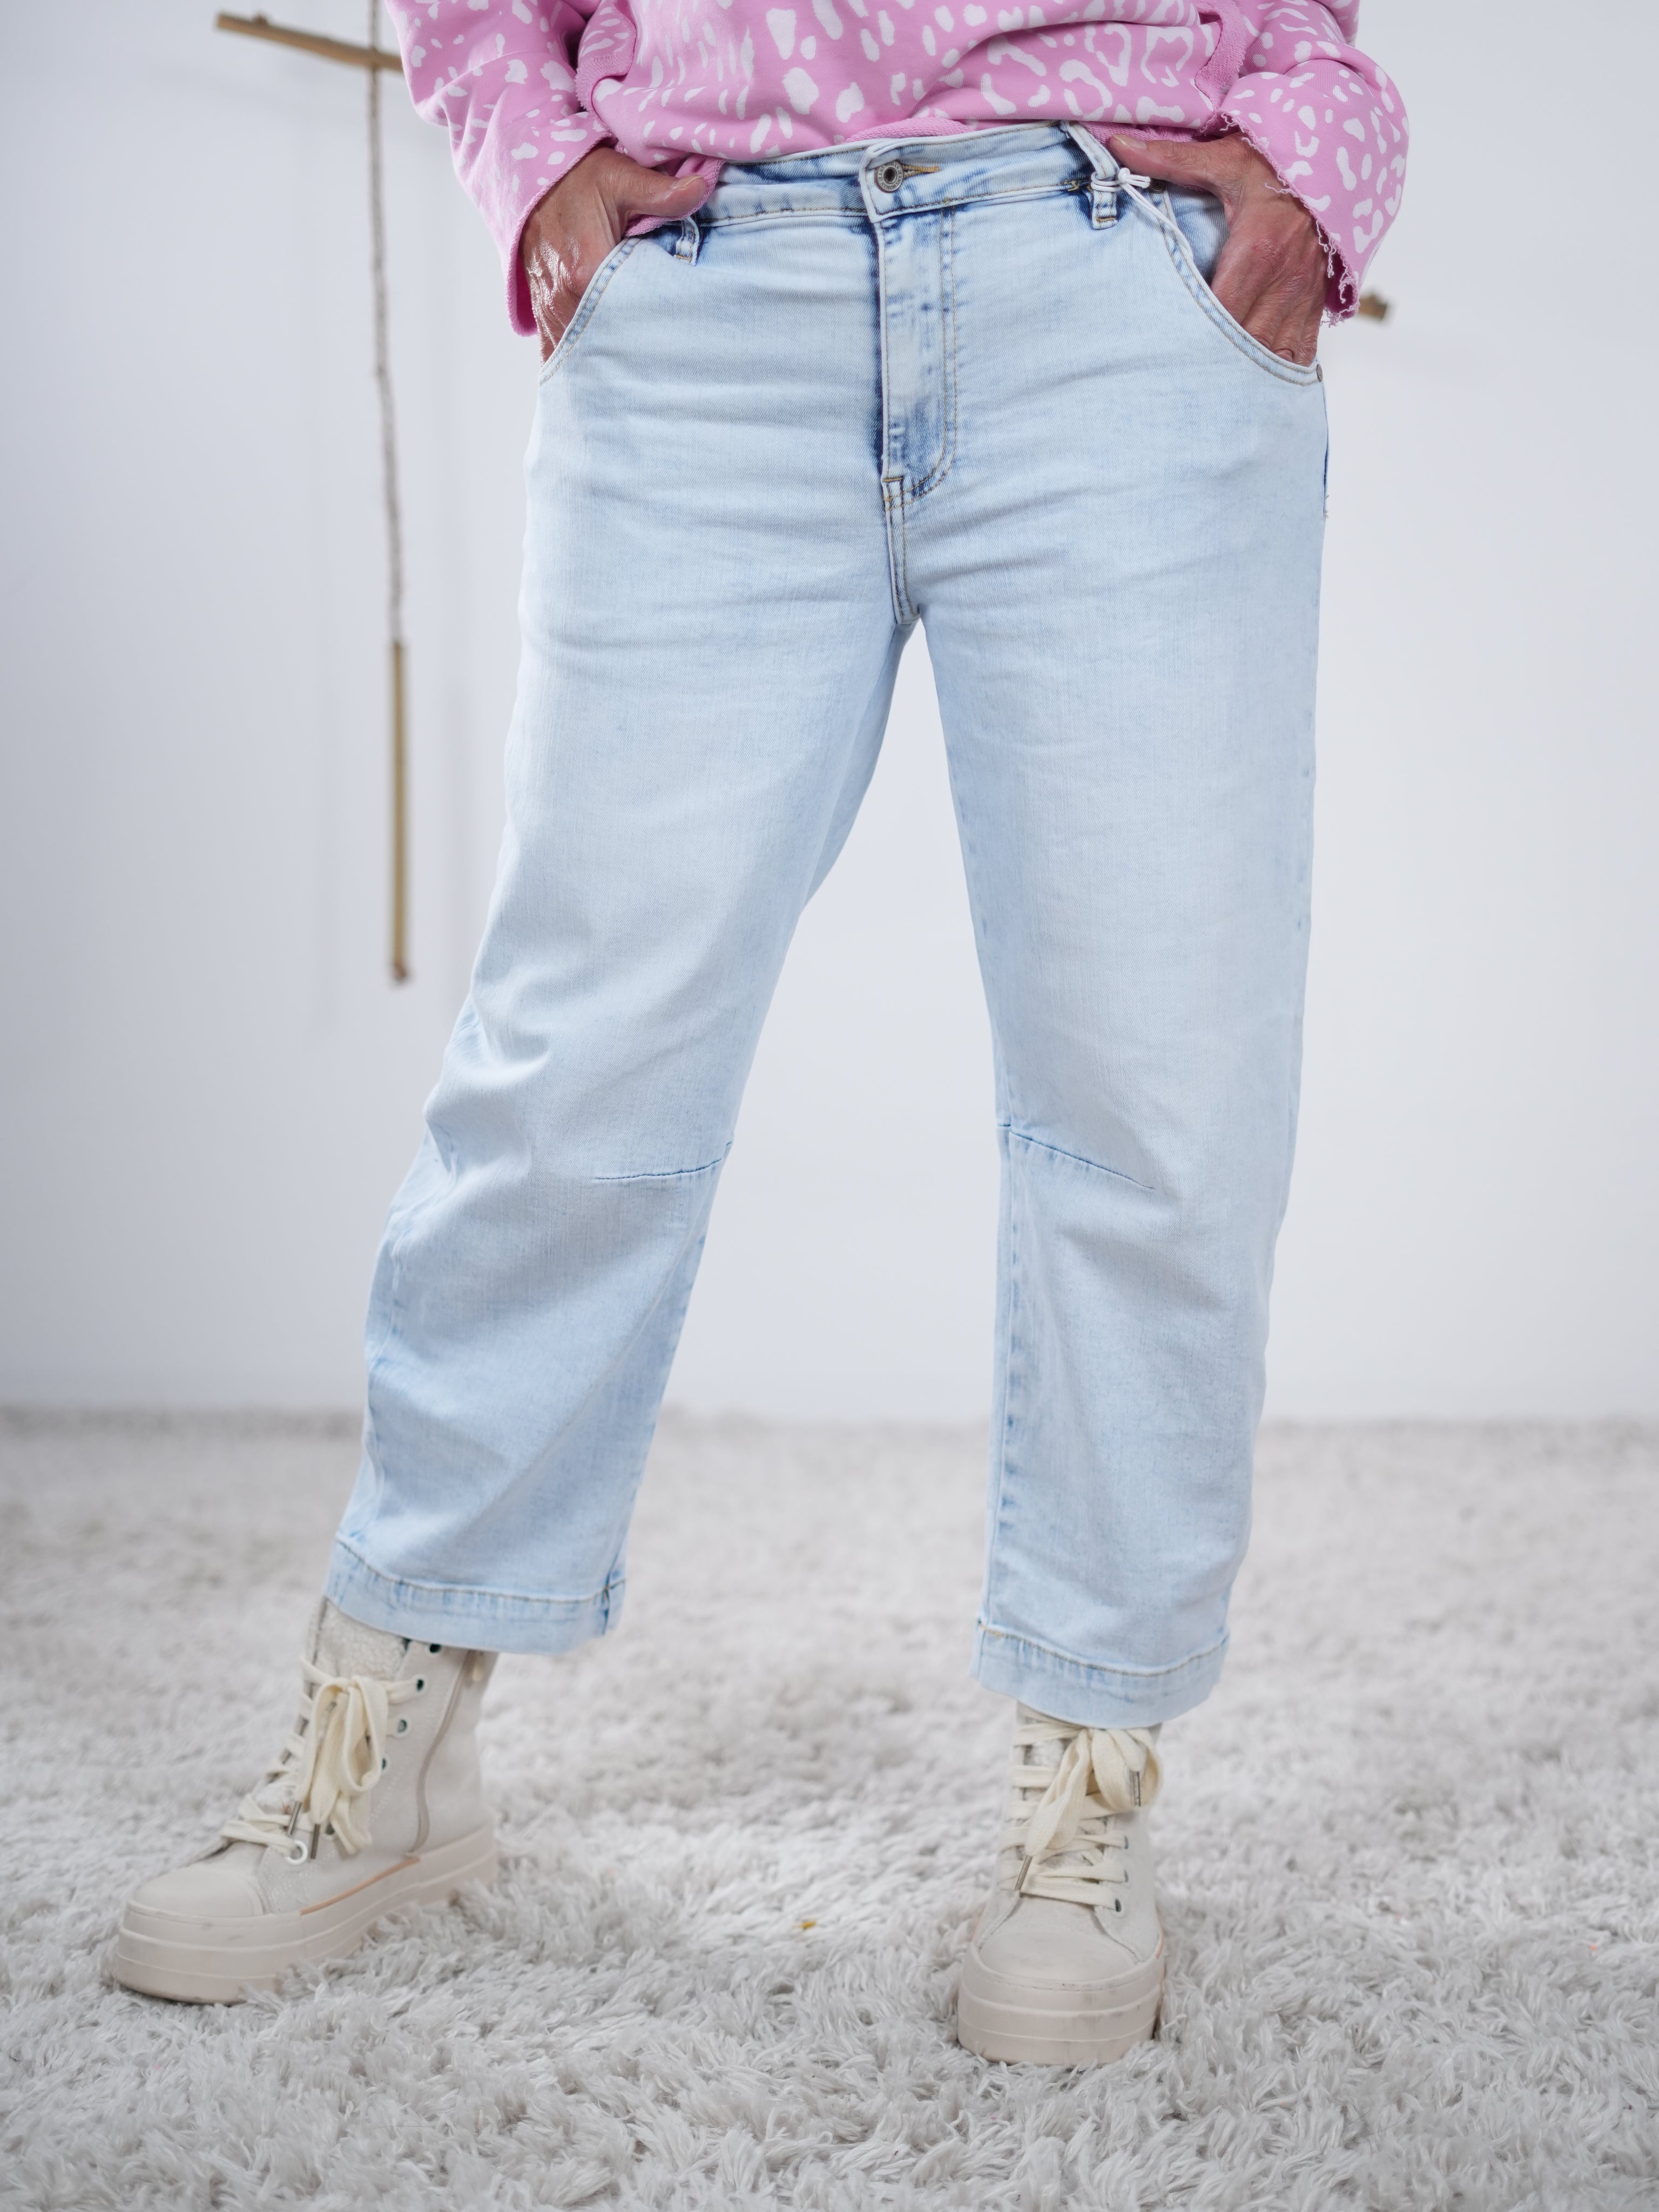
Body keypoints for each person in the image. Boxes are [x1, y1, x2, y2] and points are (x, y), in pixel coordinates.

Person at [116, 1, 1406, 2065]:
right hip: (711, 274)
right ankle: (391, 1733)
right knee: (578, 1061)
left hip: (1116, 265)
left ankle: (1091, 1779)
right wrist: (527, 150)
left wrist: (1314, 165)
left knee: (1155, 1073)